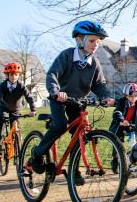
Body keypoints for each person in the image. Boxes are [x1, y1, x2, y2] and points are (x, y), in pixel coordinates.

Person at [29, 21, 114, 186]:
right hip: (60, 98)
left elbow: (99, 85)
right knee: (60, 126)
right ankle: (38, 153)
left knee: (79, 133)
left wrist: (107, 96)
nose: (95, 45)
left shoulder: (94, 63)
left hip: (77, 102)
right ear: (79, 40)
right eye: (91, 41)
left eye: (98, 42)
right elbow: (52, 74)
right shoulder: (67, 55)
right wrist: (55, 92)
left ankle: (74, 170)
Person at [0, 62, 37, 158]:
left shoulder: (21, 86)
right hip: (3, 107)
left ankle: (18, 145)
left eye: (16, 74)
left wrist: (33, 109)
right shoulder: (2, 86)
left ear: (19, 75)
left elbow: (29, 97)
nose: (14, 77)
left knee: (16, 126)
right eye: (11, 74)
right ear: (7, 75)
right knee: (1, 122)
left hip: (15, 109)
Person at [109, 83, 137, 172]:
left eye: (136, 96)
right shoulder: (122, 102)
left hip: (131, 126)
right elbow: (117, 112)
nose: (133, 98)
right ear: (126, 96)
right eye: (131, 96)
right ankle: (115, 161)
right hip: (120, 125)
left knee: (135, 143)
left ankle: (132, 161)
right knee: (119, 144)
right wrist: (122, 120)